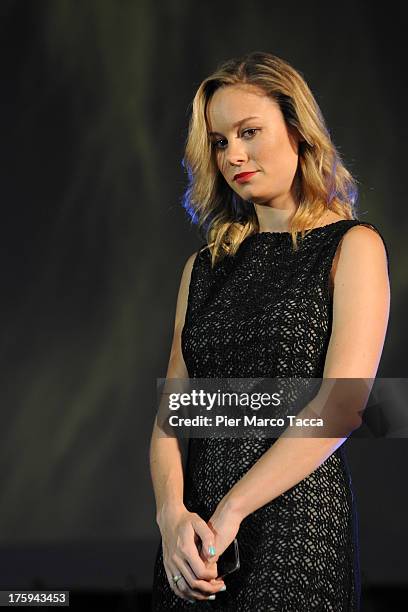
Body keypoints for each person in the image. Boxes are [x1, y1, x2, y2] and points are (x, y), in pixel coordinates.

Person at [149, 51, 390, 611]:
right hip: (196, 541)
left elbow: (343, 406)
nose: (232, 154)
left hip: (294, 528)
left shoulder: (352, 247)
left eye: (249, 132)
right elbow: (169, 420)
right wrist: (171, 518)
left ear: (299, 132)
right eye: (218, 141)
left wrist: (233, 509)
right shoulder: (202, 269)